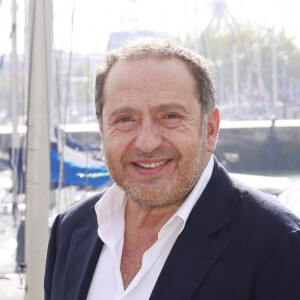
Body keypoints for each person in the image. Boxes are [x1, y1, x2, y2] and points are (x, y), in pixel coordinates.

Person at [44, 38, 300, 300]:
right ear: (102, 130)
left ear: (210, 129)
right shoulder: (70, 230)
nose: (146, 143)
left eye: (170, 116)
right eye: (124, 119)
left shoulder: (278, 243)